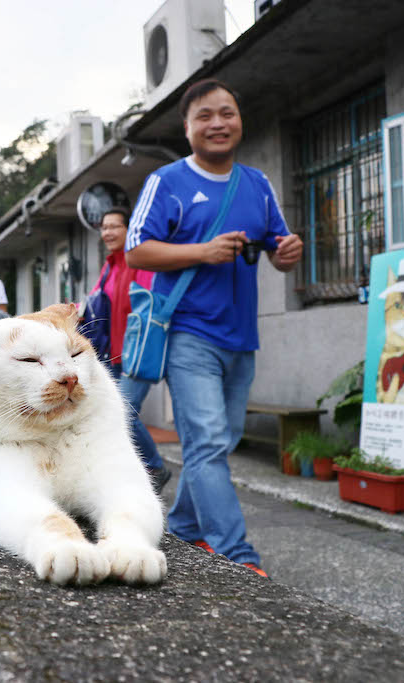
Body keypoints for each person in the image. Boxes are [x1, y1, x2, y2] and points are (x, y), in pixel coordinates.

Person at [125, 78, 303, 579]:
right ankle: (237, 554)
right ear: (187, 128)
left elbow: (279, 250)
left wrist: (289, 252)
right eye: (205, 115)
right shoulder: (168, 182)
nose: (218, 123)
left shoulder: (258, 184)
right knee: (205, 442)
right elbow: (137, 250)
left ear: (239, 120)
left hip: (241, 338)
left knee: (220, 444)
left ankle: (181, 526)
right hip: (188, 334)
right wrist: (203, 251)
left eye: (227, 112)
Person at [89, 207, 171, 494]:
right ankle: (134, 470)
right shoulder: (109, 265)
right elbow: (96, 300)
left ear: (129, 229)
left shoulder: (140, 260)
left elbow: (149, 302)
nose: (108, 232)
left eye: (114, 226)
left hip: (136, 350)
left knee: (122, 409)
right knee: (111, 410)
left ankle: (154, 466)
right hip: (108, 351)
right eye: (104, 227)